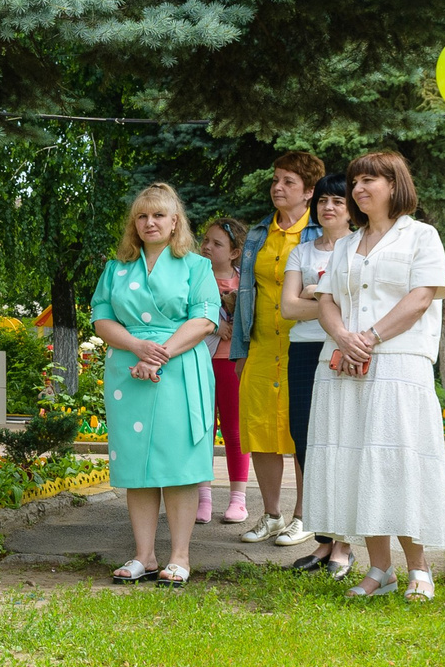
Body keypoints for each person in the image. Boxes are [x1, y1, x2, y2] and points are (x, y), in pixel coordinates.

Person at [304, 152, 445, 600]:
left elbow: (421, 297)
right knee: (355, 462)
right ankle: (379, 569)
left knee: (396, 460)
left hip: (399, 363)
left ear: (394, 184)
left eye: (369, 180)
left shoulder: (422, 237)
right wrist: (345, 338)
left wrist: (367, 337)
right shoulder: (347, 243)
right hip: (343, 362)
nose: (358, 189)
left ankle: (419, 569)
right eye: (355, 182)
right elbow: (327, 299)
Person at [93, 183, 220, 587]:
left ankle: (180, 556)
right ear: (135, 224)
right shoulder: (117, 268)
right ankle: (144, 556)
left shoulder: (196, 266)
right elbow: (101, 318)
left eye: (159, 215)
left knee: (178, 464)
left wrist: (159, 353)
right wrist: (136, 346)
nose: (150, 222)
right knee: (137, 465)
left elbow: (204, 319)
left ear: (174, 222)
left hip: (179, 367)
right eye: (143, 216)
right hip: (128, 370)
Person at [231, 151, 324, 543]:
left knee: (301, 429)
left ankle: (303, 516)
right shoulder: (256, 235)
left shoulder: (319, 234)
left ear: (309, 192)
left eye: (288, 181)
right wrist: (239, 349)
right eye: (276, 179)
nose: (278, 187)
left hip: (304, 347)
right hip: (261, 345)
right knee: (260, 432)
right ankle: (271, 515)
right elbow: (244, 296)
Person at [277, 173, 355, 577]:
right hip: (304, 351)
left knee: (339, 442)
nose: (328, 207)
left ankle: (344, 545)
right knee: (306, 441)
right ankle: (323, 542)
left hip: (340, 350)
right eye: (323, 200)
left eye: (337, 201)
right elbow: (288, 309)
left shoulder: (360, 249)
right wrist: (330, 302)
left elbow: (359, 309)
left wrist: (315, 296)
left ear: (350, 208)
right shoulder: (302, 253)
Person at [194, 217, 250, 526]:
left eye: (217, 244)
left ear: (234, 252)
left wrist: (236, 327)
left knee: (234, 429)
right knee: (203, 428)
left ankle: (238, 500)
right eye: (205, 241)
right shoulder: (194, 277)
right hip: (200, 359)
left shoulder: (245, 282)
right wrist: (218, 326)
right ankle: (203, 497)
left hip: (233, 363)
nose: (207, 247)